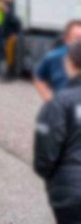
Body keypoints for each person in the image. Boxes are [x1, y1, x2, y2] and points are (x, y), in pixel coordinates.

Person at [34, 39, 81, 224]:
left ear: (69, 64)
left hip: (71, 192)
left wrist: (54, 180)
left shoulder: (60, 101)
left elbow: (46, 152)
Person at [34, 20, 81, 101]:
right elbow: (39, 77)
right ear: (66, 39)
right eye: (77, 38)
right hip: (62, 105)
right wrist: (49, 100)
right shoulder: (53, 57)